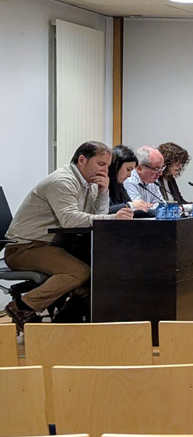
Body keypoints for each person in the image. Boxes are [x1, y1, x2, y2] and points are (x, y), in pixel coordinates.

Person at [3, 141, 134, 331]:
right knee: (79, 272)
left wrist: (103, 192)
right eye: (101, 164)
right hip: (24, 248)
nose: (105, 170)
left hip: (52, 246)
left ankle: (64, 324)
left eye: (107, 166)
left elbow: (95, 217)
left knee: (99, 273)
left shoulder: (89, 183)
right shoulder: (62, 181)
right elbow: (70, 220)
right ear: (82, 160)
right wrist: (114, 217)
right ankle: (23, 306)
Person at [106, 145, 152, 214]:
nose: (129, 175)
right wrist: (130, 205)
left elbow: (133, 209)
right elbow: (101, 211)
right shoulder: (99, 184)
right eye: (128, 169)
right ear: (115, 166)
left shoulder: (119, 185)